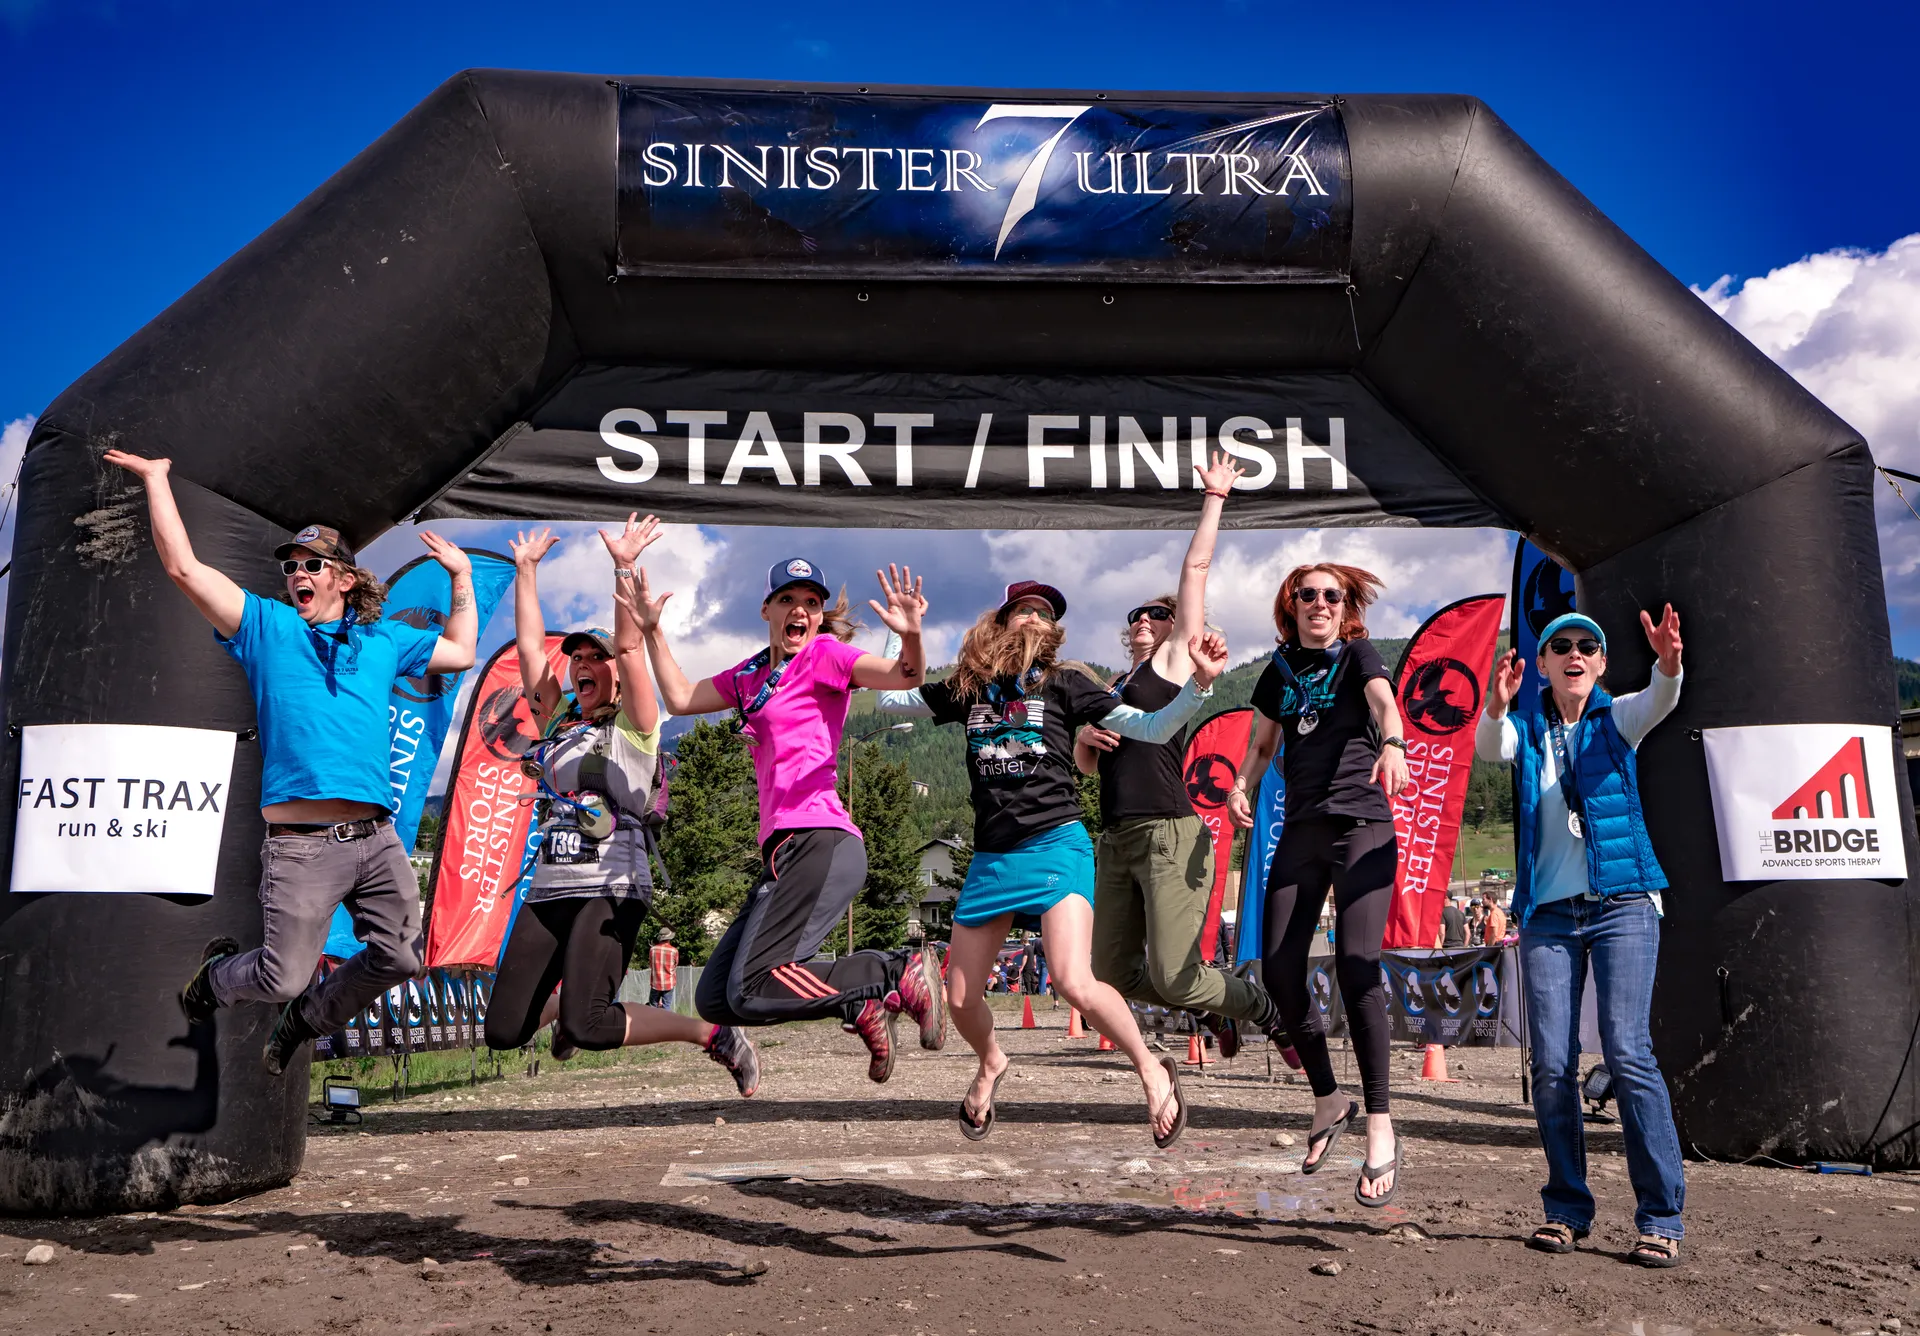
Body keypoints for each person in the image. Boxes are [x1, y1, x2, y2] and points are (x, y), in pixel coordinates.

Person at [105, 450, 479, 1075]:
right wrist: (156, 480)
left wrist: (461, 575)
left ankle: (310, 1020)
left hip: (377, 839)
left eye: (313, 565)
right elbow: (184, 569)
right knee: (281, 977)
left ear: (347, 579)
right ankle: (217, 980)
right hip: (302, 847)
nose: (297, 574)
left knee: (401, 959)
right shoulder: (268, 628)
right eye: (292, 566)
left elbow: (464, 651)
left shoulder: (384, 639)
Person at [878, 579, 1229, 1146]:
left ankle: (1149, 1067)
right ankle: (992, 1061)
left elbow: (1152, 727)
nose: (1034, 618)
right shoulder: (971, 686)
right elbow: (894, 696)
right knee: (962, 997)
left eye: (1045, 614)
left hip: (1055, 844)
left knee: (1072, 979)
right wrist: (907, 636)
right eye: (1024, 610)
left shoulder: (1067, 684)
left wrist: (1200, 689)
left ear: (1054, 632)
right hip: (992, 857)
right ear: (1003, 622)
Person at [634, 558, 946, 1081]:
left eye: (811, 603)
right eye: (787, 600)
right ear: (767, 610)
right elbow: (681, 698)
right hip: (784, 851)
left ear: (820, 617)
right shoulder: (753, 674)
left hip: (819, 839)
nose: (799, 610)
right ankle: (860, 1003)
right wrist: (651, 631)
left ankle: (895, 970)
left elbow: (903, 675)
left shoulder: (826, 656)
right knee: (718, 998)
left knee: (752, 984)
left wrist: (911, 634)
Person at [480, 520, 758, 1096]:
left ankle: (709, 1034)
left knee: (592, 1023)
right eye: (575, 656)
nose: (582, 662)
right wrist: (526, 570)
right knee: (504, 1031)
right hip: (550, 886)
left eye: (593, 656)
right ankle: (566, 1006)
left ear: (612, 672)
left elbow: (630, 646)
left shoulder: (637, 726)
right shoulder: (559, 721)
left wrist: (623, 566)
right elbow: (531, 649)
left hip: (613, 883)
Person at [1478, 607, 1687, 1267]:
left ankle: (1660, 1217)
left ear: (1598, 663)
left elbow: (1662, 697)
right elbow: (1490, 747)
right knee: (1552, 1066)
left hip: (1624, 901)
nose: (1573, 653)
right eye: (1559, 645)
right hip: (1548, 913)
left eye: (1587, 645)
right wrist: (1494, 705)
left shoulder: (1618, 716)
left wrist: (1669, 663)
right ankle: (1566, 1209)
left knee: (1628, 1051)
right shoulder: (1525, 728)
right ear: (1542, 664)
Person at [1073, 452, 1286, 1059]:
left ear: (1177, 629)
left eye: (1157, 613)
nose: (1144, 618)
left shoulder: (1172, 667)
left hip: (1169, 832)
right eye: (1137, 614)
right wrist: (1084, 743)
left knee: (1173, 971)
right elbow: (1090, 769)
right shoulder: (1112, 682)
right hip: (1113, 836)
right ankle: (1209, 1001)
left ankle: (1251, 1002)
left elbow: (1195, 568)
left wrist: (1215, 496)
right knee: (1108, 976)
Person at [1227, 563, 1414, 1206]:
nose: (1320, 604)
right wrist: (1241, 786)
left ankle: (1382, 1127)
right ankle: (1330, 1098)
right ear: (1292, 605)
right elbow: (1259, 746)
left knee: (1357, 967)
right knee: (1278, 972)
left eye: (1332, 596)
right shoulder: (1279, 672)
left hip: (1363, 822)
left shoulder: (1359, 655)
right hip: (1301, 831)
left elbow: (1384, 702)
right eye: (1308, 594)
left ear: (1346, 607)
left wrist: (1393, 743)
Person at [650, 929, 679, 1008]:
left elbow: (651, 965)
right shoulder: (674, 951)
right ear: (669, 938)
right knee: (666, 1006)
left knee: (652, 1007)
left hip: (656, 983)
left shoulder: (652, 950)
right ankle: (666, 1020)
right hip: (668, 983)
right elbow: (675, 965)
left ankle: (652, 1020)